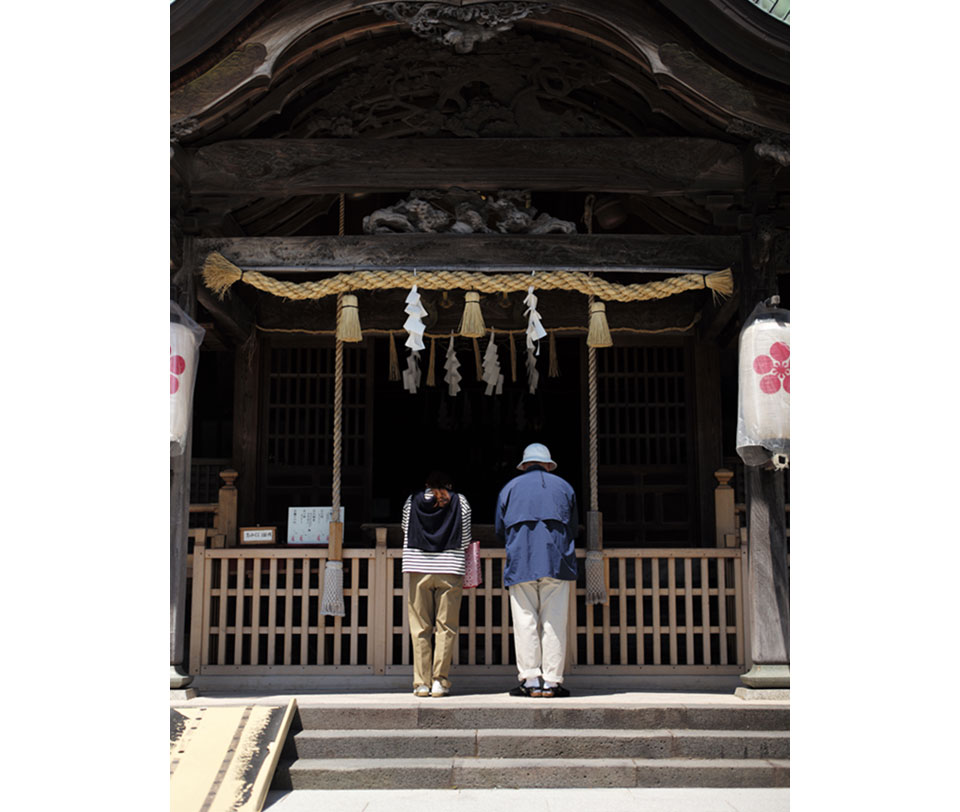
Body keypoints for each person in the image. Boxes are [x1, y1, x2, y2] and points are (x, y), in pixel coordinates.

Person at [495, 443, 578, 698]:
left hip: (522, 561)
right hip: (556, 561)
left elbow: (500, 528)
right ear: (548, 464)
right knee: (554, 621)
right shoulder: (565, 487)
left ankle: (531, 680)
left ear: (525, 464)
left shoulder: (509, 488)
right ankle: (552, 681)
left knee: (524, 622)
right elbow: (573, 526)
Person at [401, 471, 472, 697]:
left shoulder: (412, 501)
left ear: (427, 484)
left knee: (420, 627)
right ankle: (440, 681)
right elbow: (465, 538)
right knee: (446, 626)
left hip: (418, 567)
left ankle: (421, 683)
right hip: (450, 568)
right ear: (450, 484)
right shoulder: (461, 501)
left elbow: (405, 529)